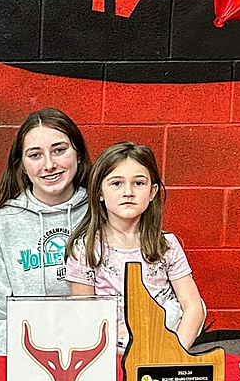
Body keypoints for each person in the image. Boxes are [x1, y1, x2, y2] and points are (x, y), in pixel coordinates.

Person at [0, 109, 92, 355]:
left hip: (99, 356)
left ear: (78, 154)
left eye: (59, 150)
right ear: (22, 165)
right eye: (35, 155)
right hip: (25, 361)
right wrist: (39, 356)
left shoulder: (103, 215)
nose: (49, 164)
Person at [65, 142, 205, 349]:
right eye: (116, 184)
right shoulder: (85, 249)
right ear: (99, 193)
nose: (128, 192)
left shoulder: (166, 245)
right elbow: (84, 313)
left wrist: (175, 355)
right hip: (113, 345)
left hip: (164, 341)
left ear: (152, 192)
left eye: (138, 183)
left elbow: (194, 307)